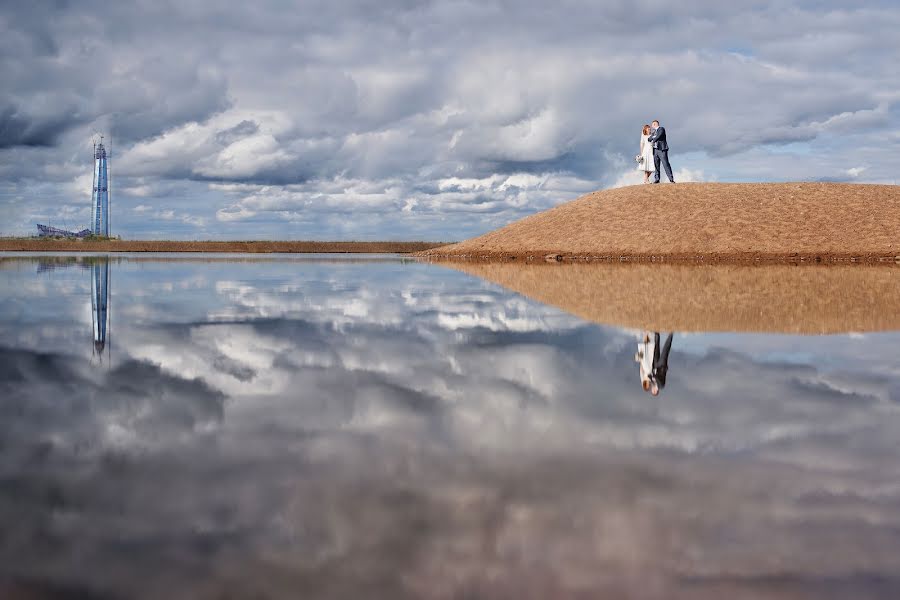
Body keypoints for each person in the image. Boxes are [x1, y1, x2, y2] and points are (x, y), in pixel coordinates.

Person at [647, 119, 675, 184]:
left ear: (655, 124)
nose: (651, 126)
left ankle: (671, 179)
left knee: (665, 164)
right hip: (655, 150)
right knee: (656, 165)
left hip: (662, 149)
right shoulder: (654, 132)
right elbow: (649, 139)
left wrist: (653, 138)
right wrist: (652, 137)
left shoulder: (661, 129)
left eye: (652, 124)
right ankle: (657, 179)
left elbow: (658, 136)